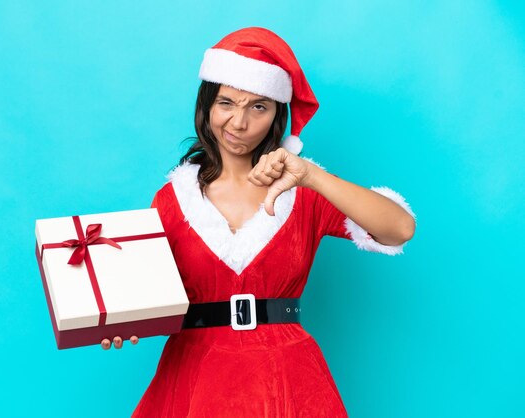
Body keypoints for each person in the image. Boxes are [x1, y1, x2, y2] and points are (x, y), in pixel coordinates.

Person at [103, 27, 416, 417]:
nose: (238, 122)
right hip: (195, 376)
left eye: (258, 107)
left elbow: (399, 229)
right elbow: (138, 293)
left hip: (288, 376)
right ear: (207, 106)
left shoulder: (302, 192)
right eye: (226, 103)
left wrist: (311, 176)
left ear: (276, 116)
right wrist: (111, 322)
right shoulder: (172, 200)